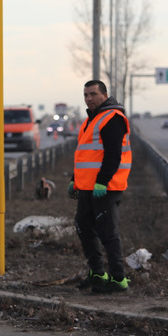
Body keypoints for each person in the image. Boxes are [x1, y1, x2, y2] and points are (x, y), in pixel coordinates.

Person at [68, 79, 132, 293]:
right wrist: (73, 181)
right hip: (87, 187)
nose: (89, 98)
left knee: (107, 232)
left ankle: (118, 279)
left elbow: (113, 155)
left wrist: (102, 182)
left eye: (93, 94)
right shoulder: (91, 121)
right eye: (86, 95)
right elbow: (84, 155)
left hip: (106, 187)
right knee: (83, 228)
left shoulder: (113, 118)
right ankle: (97, 273)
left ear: (104, 95)